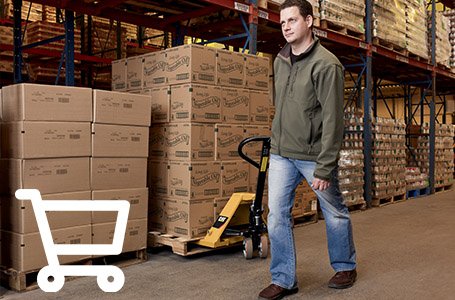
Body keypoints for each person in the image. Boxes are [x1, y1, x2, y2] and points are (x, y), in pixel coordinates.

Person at [258, 1, 357, 299]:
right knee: (276, 215)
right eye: (282, 21)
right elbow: (284, 107)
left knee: (334, 212)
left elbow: (333, 119)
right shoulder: (280, 60)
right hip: (281, 153)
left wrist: (326, 165)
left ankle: (344, 266)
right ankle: (284, 278)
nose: (286, 26)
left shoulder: (326, 64)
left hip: (313, 156)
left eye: (292, 20)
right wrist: (275, 141)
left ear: (309, 21)